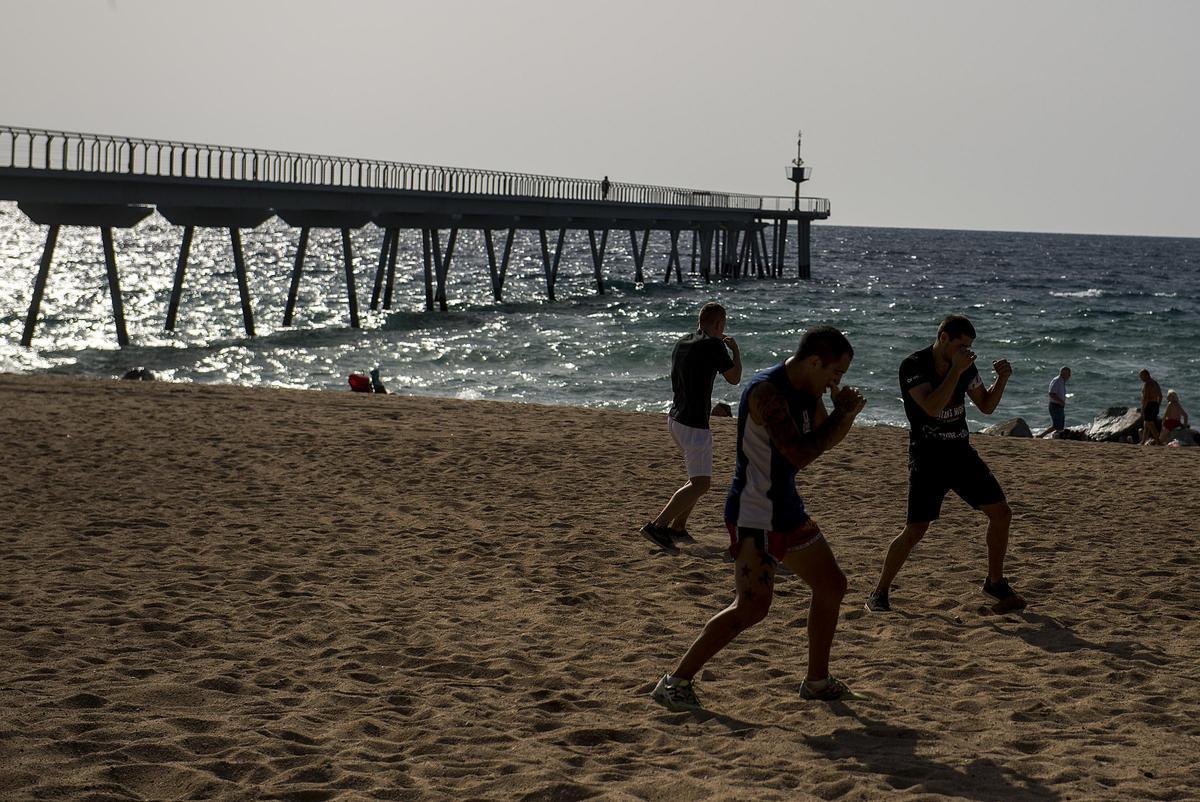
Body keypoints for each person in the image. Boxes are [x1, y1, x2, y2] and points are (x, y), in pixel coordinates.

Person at [650, 326, 866, 710]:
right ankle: (675, 682)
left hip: (783, 504)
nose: (838, 380)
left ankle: (817, 682)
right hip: (756, 509)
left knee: (831, 585)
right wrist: (842, 415)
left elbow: (823, 436)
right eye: (836, 372)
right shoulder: (768, 392)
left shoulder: (807, 390)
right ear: (814, 361)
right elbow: (800, 454)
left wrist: (840, 414)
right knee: (751, 607)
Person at [866, 314, 1025, 614]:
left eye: (970, 347)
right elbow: (931, 406)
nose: (967, 351)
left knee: (1001, 513)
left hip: (961, 454)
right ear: (944, 339)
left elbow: (987, 406)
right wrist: (955, 370)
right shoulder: (914, 365)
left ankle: (995, 581)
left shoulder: (964, 366)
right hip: (928, 458)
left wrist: (1001, 380)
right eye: (962, 345)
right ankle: (880, 591)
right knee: (915, 530)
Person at [640, 302, 741, 553]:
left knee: (696, 478)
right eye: (723, 325)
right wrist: (736, 351)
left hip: (675, 419)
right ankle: (658, 525)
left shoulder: (682, 341)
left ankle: (678, 526)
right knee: (701, 483)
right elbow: (735, 378)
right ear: (720, 324)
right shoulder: (714, 344)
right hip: (695, 424)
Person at [1038, 366, 1070, 438]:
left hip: (1059, 405)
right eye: (1068, 374)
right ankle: (1041, 435)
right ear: (1063, 373)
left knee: (1060, 425)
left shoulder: (1061, 381)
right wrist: (1060, 401)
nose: (1069, 376)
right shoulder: (1057, 381)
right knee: (1056, 425)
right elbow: (1051, 393)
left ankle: (1056, 437)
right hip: (1055, 405)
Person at [1139, 369, 1164, 445]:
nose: (1141, 378)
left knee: (1150, 424)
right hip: (1155, 404)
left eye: (1142, 376)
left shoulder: (1147, 384)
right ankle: (1143, 441)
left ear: (1147, 375)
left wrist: (1143, 409)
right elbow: (1161, 396)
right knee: (1146, 424)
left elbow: (1145, 398)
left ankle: (1158, 441)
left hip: (1149, 405)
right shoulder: (1155, 383)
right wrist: (1158, 405)